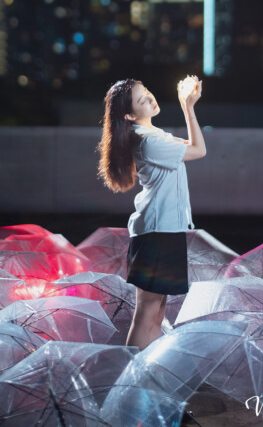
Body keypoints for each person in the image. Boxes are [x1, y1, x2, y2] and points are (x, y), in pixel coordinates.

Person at [97, 75, 206, 352]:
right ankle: (131, 377)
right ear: (130, 114)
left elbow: (190, 148)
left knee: (157, 314)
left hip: (165, 229)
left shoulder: (154, 136)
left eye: (147, 92)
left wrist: (186, 104)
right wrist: (188, 107)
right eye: (141, 99)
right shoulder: (147, 140)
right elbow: (199, 150)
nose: (149, 98)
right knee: (146, 314)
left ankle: (147, 375)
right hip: (156, 232)